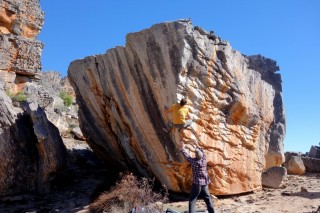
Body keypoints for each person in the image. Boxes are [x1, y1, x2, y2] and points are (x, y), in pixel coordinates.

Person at [181, 143, 215, 213]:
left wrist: (183, 148)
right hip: (205, 184)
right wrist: (196, 145)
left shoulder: (194, 162)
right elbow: (202, 152)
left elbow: (187, 157)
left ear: (196, 156)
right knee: (208, 199)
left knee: (192, 200)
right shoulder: (204, 160)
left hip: (197, 184)